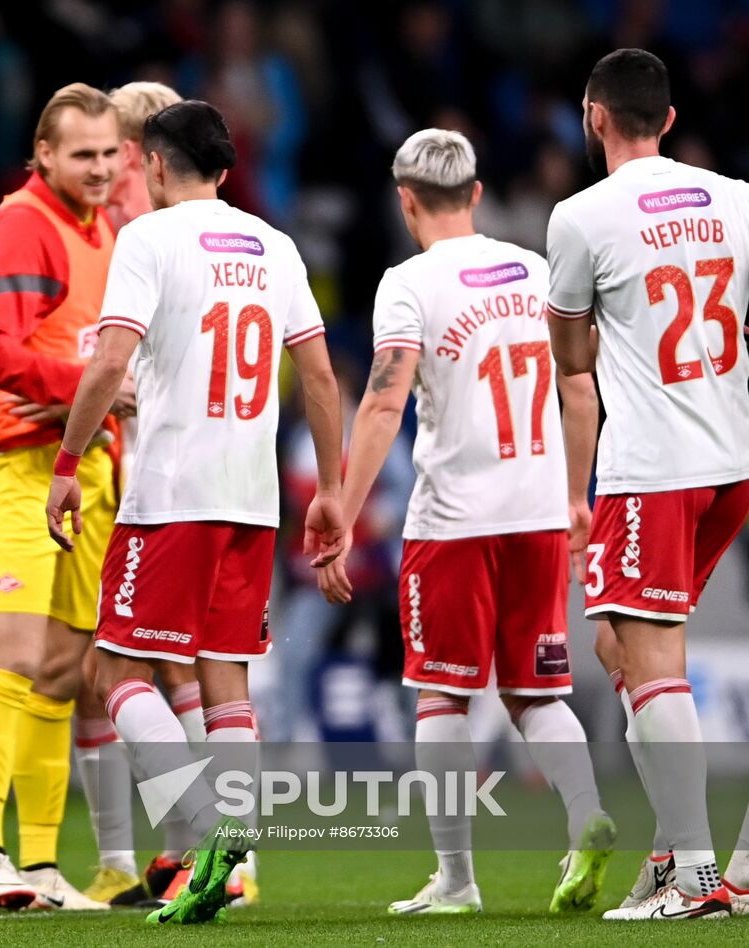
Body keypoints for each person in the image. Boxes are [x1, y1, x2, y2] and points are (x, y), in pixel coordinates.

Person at [47, 99, 346, 924]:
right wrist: (331, 489)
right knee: (225, 678)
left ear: (150, 162)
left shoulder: (148, 237)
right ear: (225, 167)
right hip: (251, 500)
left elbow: (110, 360)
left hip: (173, 493)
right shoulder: (275, 245)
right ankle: (235, 840)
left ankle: (209, 830)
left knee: (113, 674)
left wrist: (68, 463)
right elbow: (320, 379)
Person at [316, 128, 615, 915]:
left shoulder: (407, 283)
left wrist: (341, 511)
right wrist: (576, 494)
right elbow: (579, 388)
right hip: (540, 510)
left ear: (405, 200)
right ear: (477, 195)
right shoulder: (534, 269)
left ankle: (456, 879)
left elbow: (383, 401)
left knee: (443, 698)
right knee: (535, 693)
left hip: (454, 519)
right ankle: (587, 817)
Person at [546, 48, 749, 921]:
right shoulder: (740, 200)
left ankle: (697, 879)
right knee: (622, 650)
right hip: (731, 462)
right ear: (668, 119)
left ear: (595, 116)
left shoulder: (581, 216)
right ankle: (680, 857)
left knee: (651, 660)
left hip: (652, 467)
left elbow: (571, 357)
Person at [0, 82, 127, 912]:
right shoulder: (26, 222)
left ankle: (43, 866)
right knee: (14, 657)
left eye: (107, 153)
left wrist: (85, 406)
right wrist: (81, 387)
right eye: (80, 154)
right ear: (44, 155)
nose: (97, 168)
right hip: (19, 464)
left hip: (85, 465)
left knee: (61, 673)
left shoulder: (104, 230)